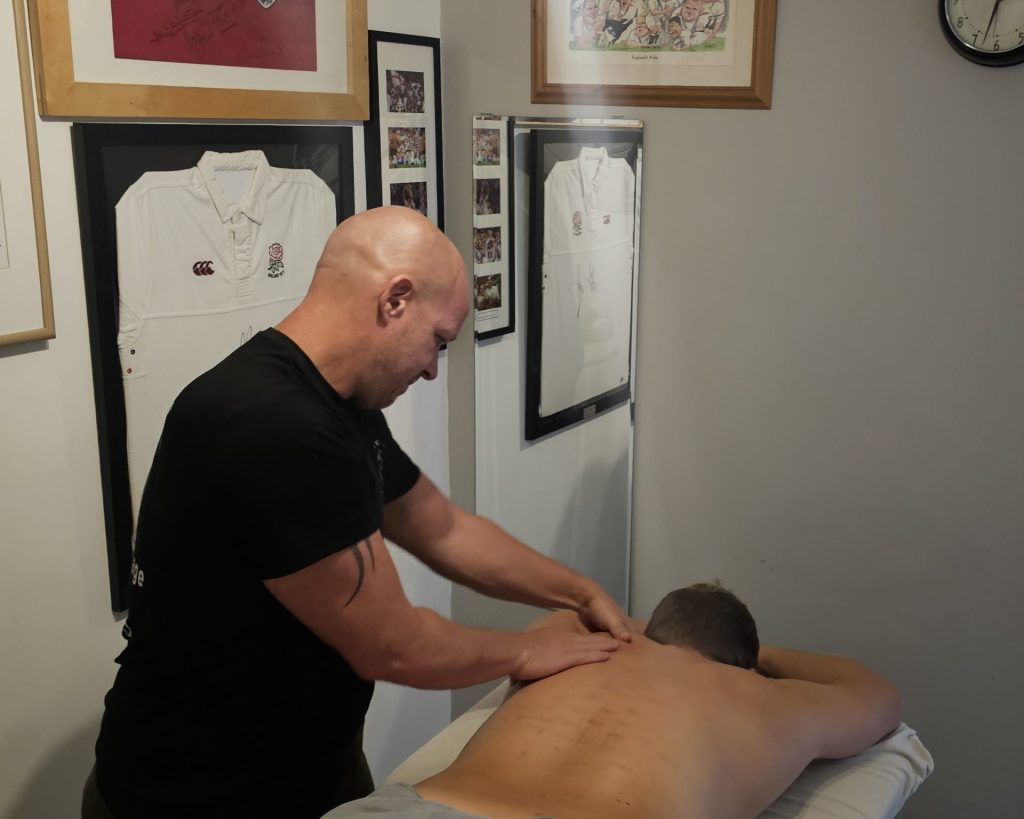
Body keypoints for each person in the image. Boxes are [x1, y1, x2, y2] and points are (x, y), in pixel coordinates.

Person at [83, 206, 632, 819]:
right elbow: (396, 647)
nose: (432, 369)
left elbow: (444, 529)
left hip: (309, 763)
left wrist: (579, 593)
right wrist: (526, 653)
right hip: (195, 793)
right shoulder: (273, 425)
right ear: (395, 300)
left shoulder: (339, 403)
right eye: (438, 341)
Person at [327, 582, 903, 819]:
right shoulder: (761, 697)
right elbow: (875, 693)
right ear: (744, 664)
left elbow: (570, 612)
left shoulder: (569, 644)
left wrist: (640, 638)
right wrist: (754, 663)